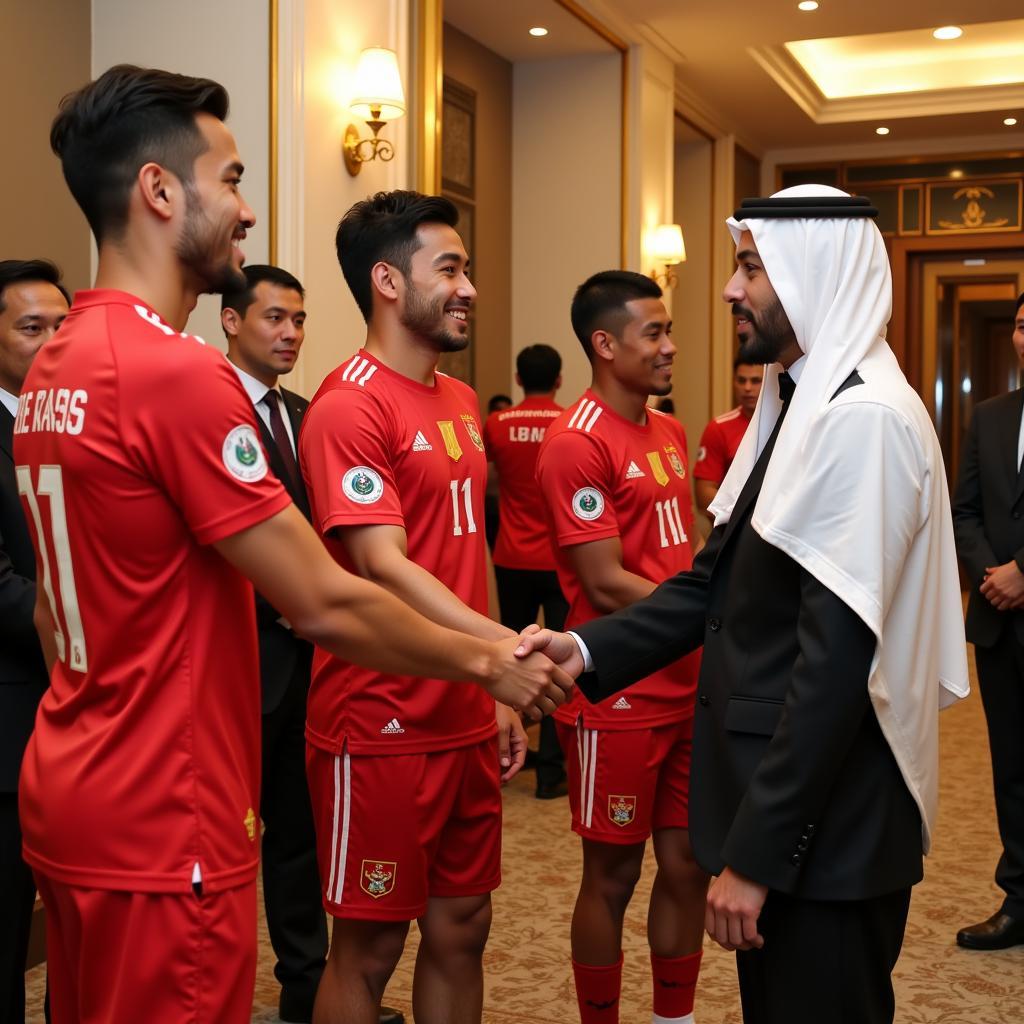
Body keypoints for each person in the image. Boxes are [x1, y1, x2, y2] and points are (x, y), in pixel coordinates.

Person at [15, 66, 571, 1024]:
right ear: (159, 191)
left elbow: (48, 602)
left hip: (75, 786)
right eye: (229, 181)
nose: (247, 212)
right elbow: (327, 597)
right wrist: (491, 660)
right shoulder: (176, 375)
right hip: (167, 809)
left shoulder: (57, 360)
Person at [516, 185, 969, 1024]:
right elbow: (712, 585)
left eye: (751, 268)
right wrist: (582, 652)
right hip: (806, 817)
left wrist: (758, 858)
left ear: (815, 277)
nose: (729, 290)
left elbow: (834, 666)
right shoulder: (801, 406)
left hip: (828, 830)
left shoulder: (859, 420)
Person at [298, 190, 542, 1024]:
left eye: (466, 268)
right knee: (368, 948)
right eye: (450, 268)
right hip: (379, 721)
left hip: (465, 709)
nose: (469, 286)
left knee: (463, 927)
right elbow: (382, 565)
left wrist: (489, 690)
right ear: (388, 282)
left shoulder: (464, 403)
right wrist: (506, 650)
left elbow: (467, 549)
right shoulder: (347, 405)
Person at [223, 266, 406, 1023]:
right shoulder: (205, 408)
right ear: (230, 322)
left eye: (298, 320)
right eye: (273, 318)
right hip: (242, 656)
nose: (290, 333)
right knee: (234, 835)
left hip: (318, 659)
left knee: (303, 832)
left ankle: (305, 983)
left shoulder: (308, 411)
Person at [534, 271, 706, 1024]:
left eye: (668, 331)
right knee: (612, 874)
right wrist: (712, 611)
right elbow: (604, 584)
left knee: (688, 863)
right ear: (605, 345)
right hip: (621, 692)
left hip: (691, 680)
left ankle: (676, 1016)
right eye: (654, 334)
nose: (670, 347)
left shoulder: (667, 430)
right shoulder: (574, 443)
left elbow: (683, 552)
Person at [0, 259, 68, 1024]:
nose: (52, 344)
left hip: (89, 714)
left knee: (81, 929)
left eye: (62, 327)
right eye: (30, 329)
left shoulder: (74, 423)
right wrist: (84, 625)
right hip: (13, 718)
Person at [951, 290, 1024, 951]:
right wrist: (994, 574)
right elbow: (963, 509)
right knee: (1012, 765)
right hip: (1000, 623)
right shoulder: (990, 416)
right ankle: (1020, 896)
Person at [483, 343, 568, 799]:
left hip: (511, 556)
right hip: (557, 560)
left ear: (519, 379)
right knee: (557, 660)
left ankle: (508, 749)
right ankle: (552, 770)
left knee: (511, 656)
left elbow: (487, 485)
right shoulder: (569, 422)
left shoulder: (497, 424)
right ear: (558, 380)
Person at [693, 357, 762, 518]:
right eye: (741, 380)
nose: (747, 387)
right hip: (731, 529)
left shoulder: (785, 425)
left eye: (756, 381)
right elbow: (703, 496)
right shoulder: (718, 428)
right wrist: (744, 516)